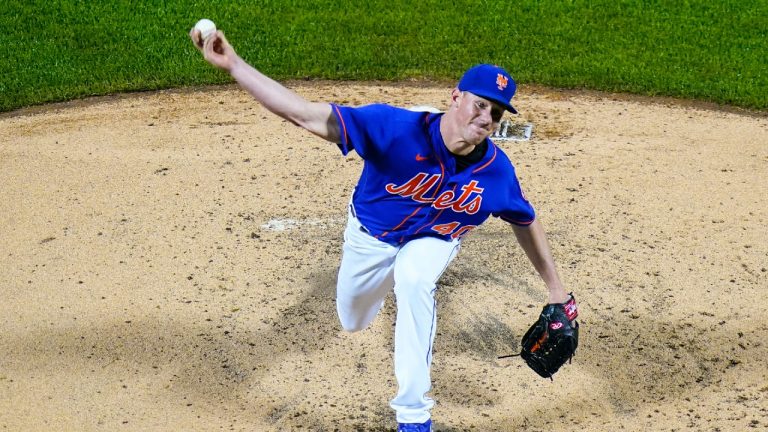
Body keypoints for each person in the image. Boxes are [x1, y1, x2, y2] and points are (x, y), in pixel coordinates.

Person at [190, 27, 574, 432]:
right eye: (479, 105)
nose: (485, 119)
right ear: (456, 97)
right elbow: (301, 112)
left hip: (436, 239)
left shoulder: (496, 173)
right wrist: (233, 64)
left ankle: (414, 417)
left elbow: (524, 220)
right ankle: (375, 291)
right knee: (352, 319)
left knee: (413, 278)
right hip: (370, 236)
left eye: (496, 113)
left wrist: (556, 290)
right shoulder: (391, 129)